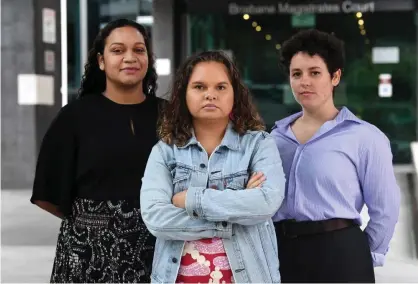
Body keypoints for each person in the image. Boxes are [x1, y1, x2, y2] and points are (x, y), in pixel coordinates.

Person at [30, 19, 163, 283]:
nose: (130, 58)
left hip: (160, 250)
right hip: (88, 256)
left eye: (139, 50)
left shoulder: (170, 115)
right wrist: (95, 223)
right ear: (101, 61)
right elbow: (47, 194)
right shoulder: (74, 117)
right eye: (117, 50)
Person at [140, 50, 286, 283]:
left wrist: (190, 200)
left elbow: (266, 203)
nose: (210, 95)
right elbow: (156, 218)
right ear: (183, 94)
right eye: (199, 87)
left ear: (234, 94)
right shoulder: (165, 151)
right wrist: (236, 210)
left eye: (220, 87)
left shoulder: (259, 144)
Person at [270, 29, 401, 283]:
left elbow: (386, 207)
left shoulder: (365, 137)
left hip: (341, 252)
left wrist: (363, 254)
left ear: (335, 76)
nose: (304, 81)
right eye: (296, 74)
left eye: (314, 72)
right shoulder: (274, 138)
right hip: (280, 251)